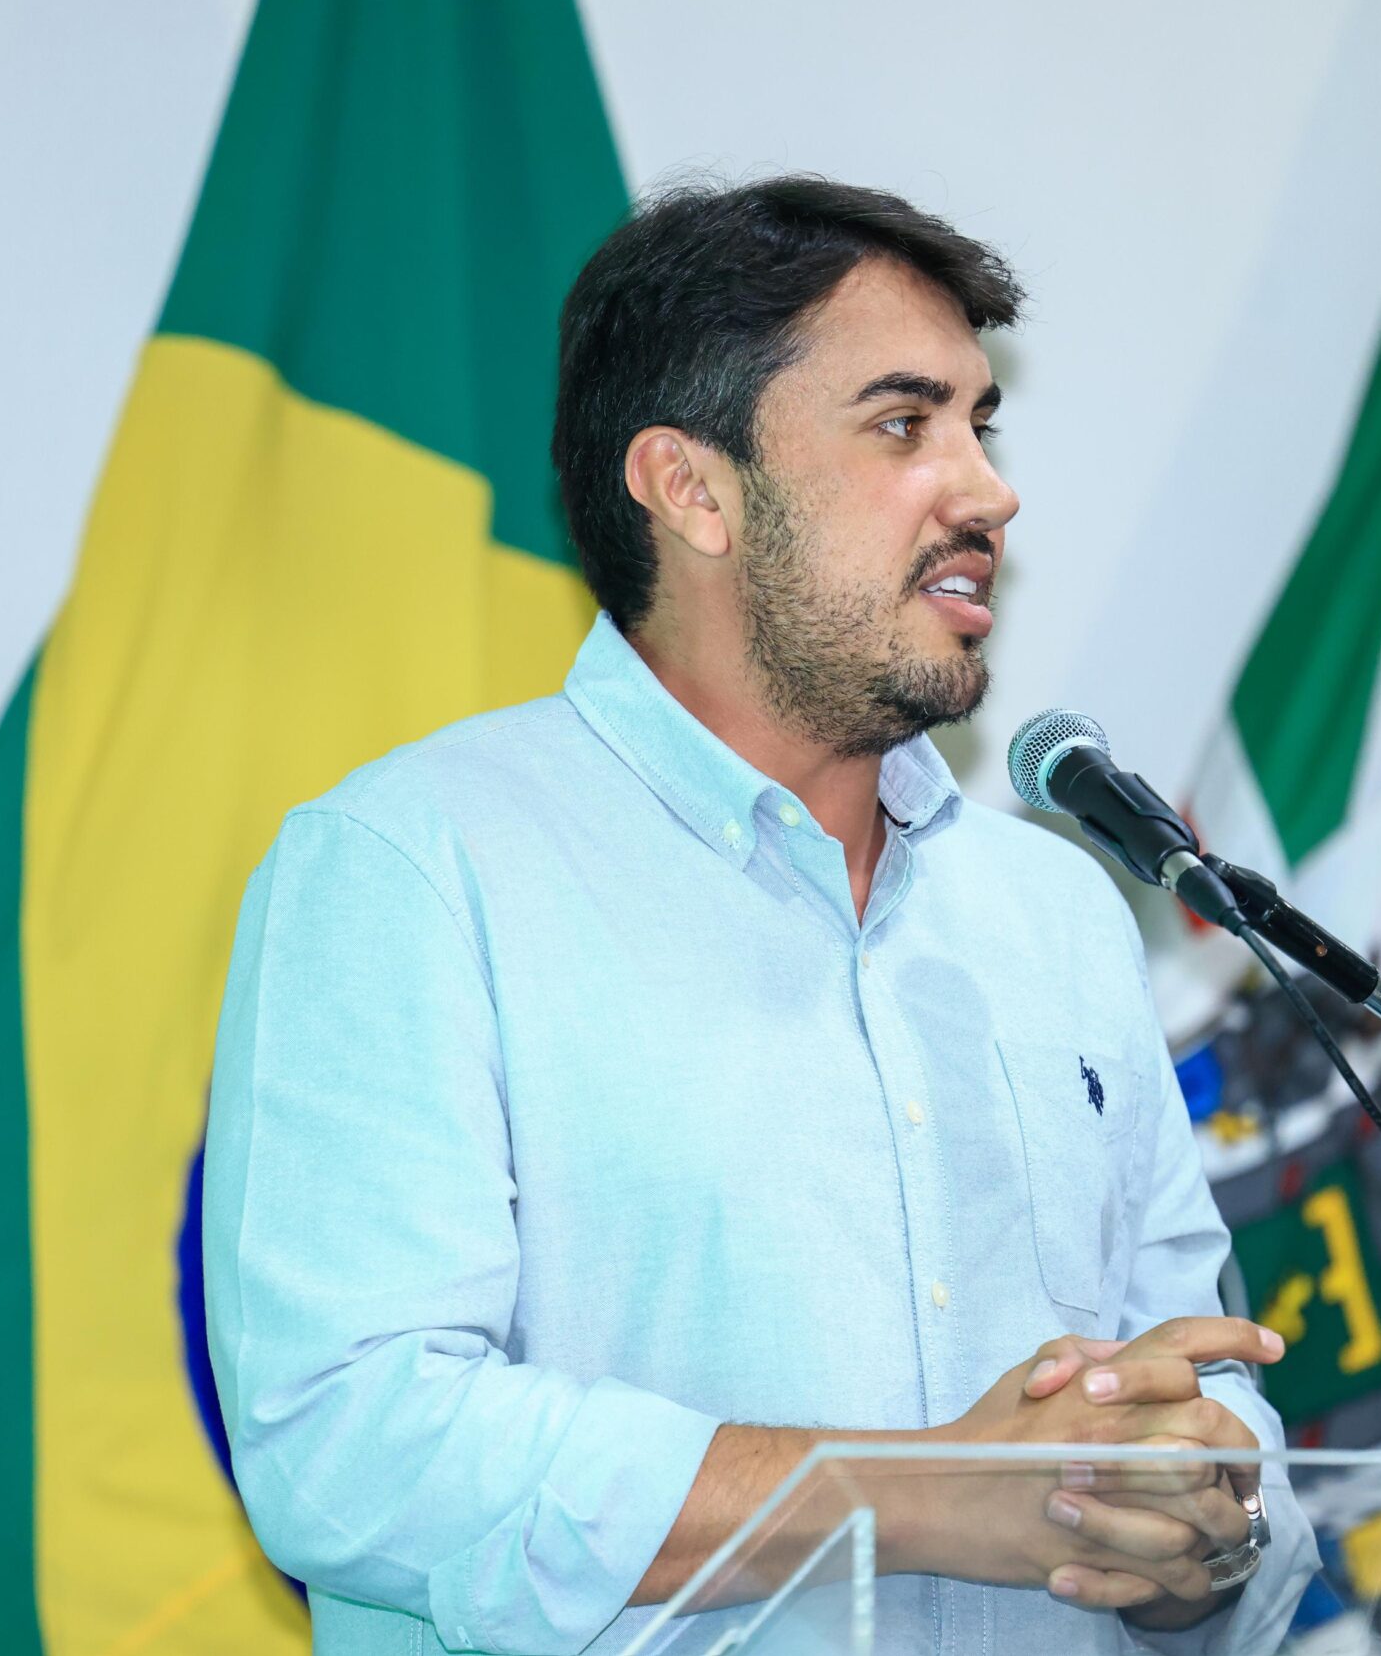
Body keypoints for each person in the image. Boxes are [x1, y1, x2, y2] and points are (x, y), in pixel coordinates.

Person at [200, 176, 1315, 1656]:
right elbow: (347, 1448)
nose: (987, 492)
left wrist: (1202, 1536)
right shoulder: (415, 869)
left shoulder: (1055, 910)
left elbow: (1204, 1393)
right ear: (693, 488)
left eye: (980, 425)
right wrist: (908, 1497)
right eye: (904, 425)